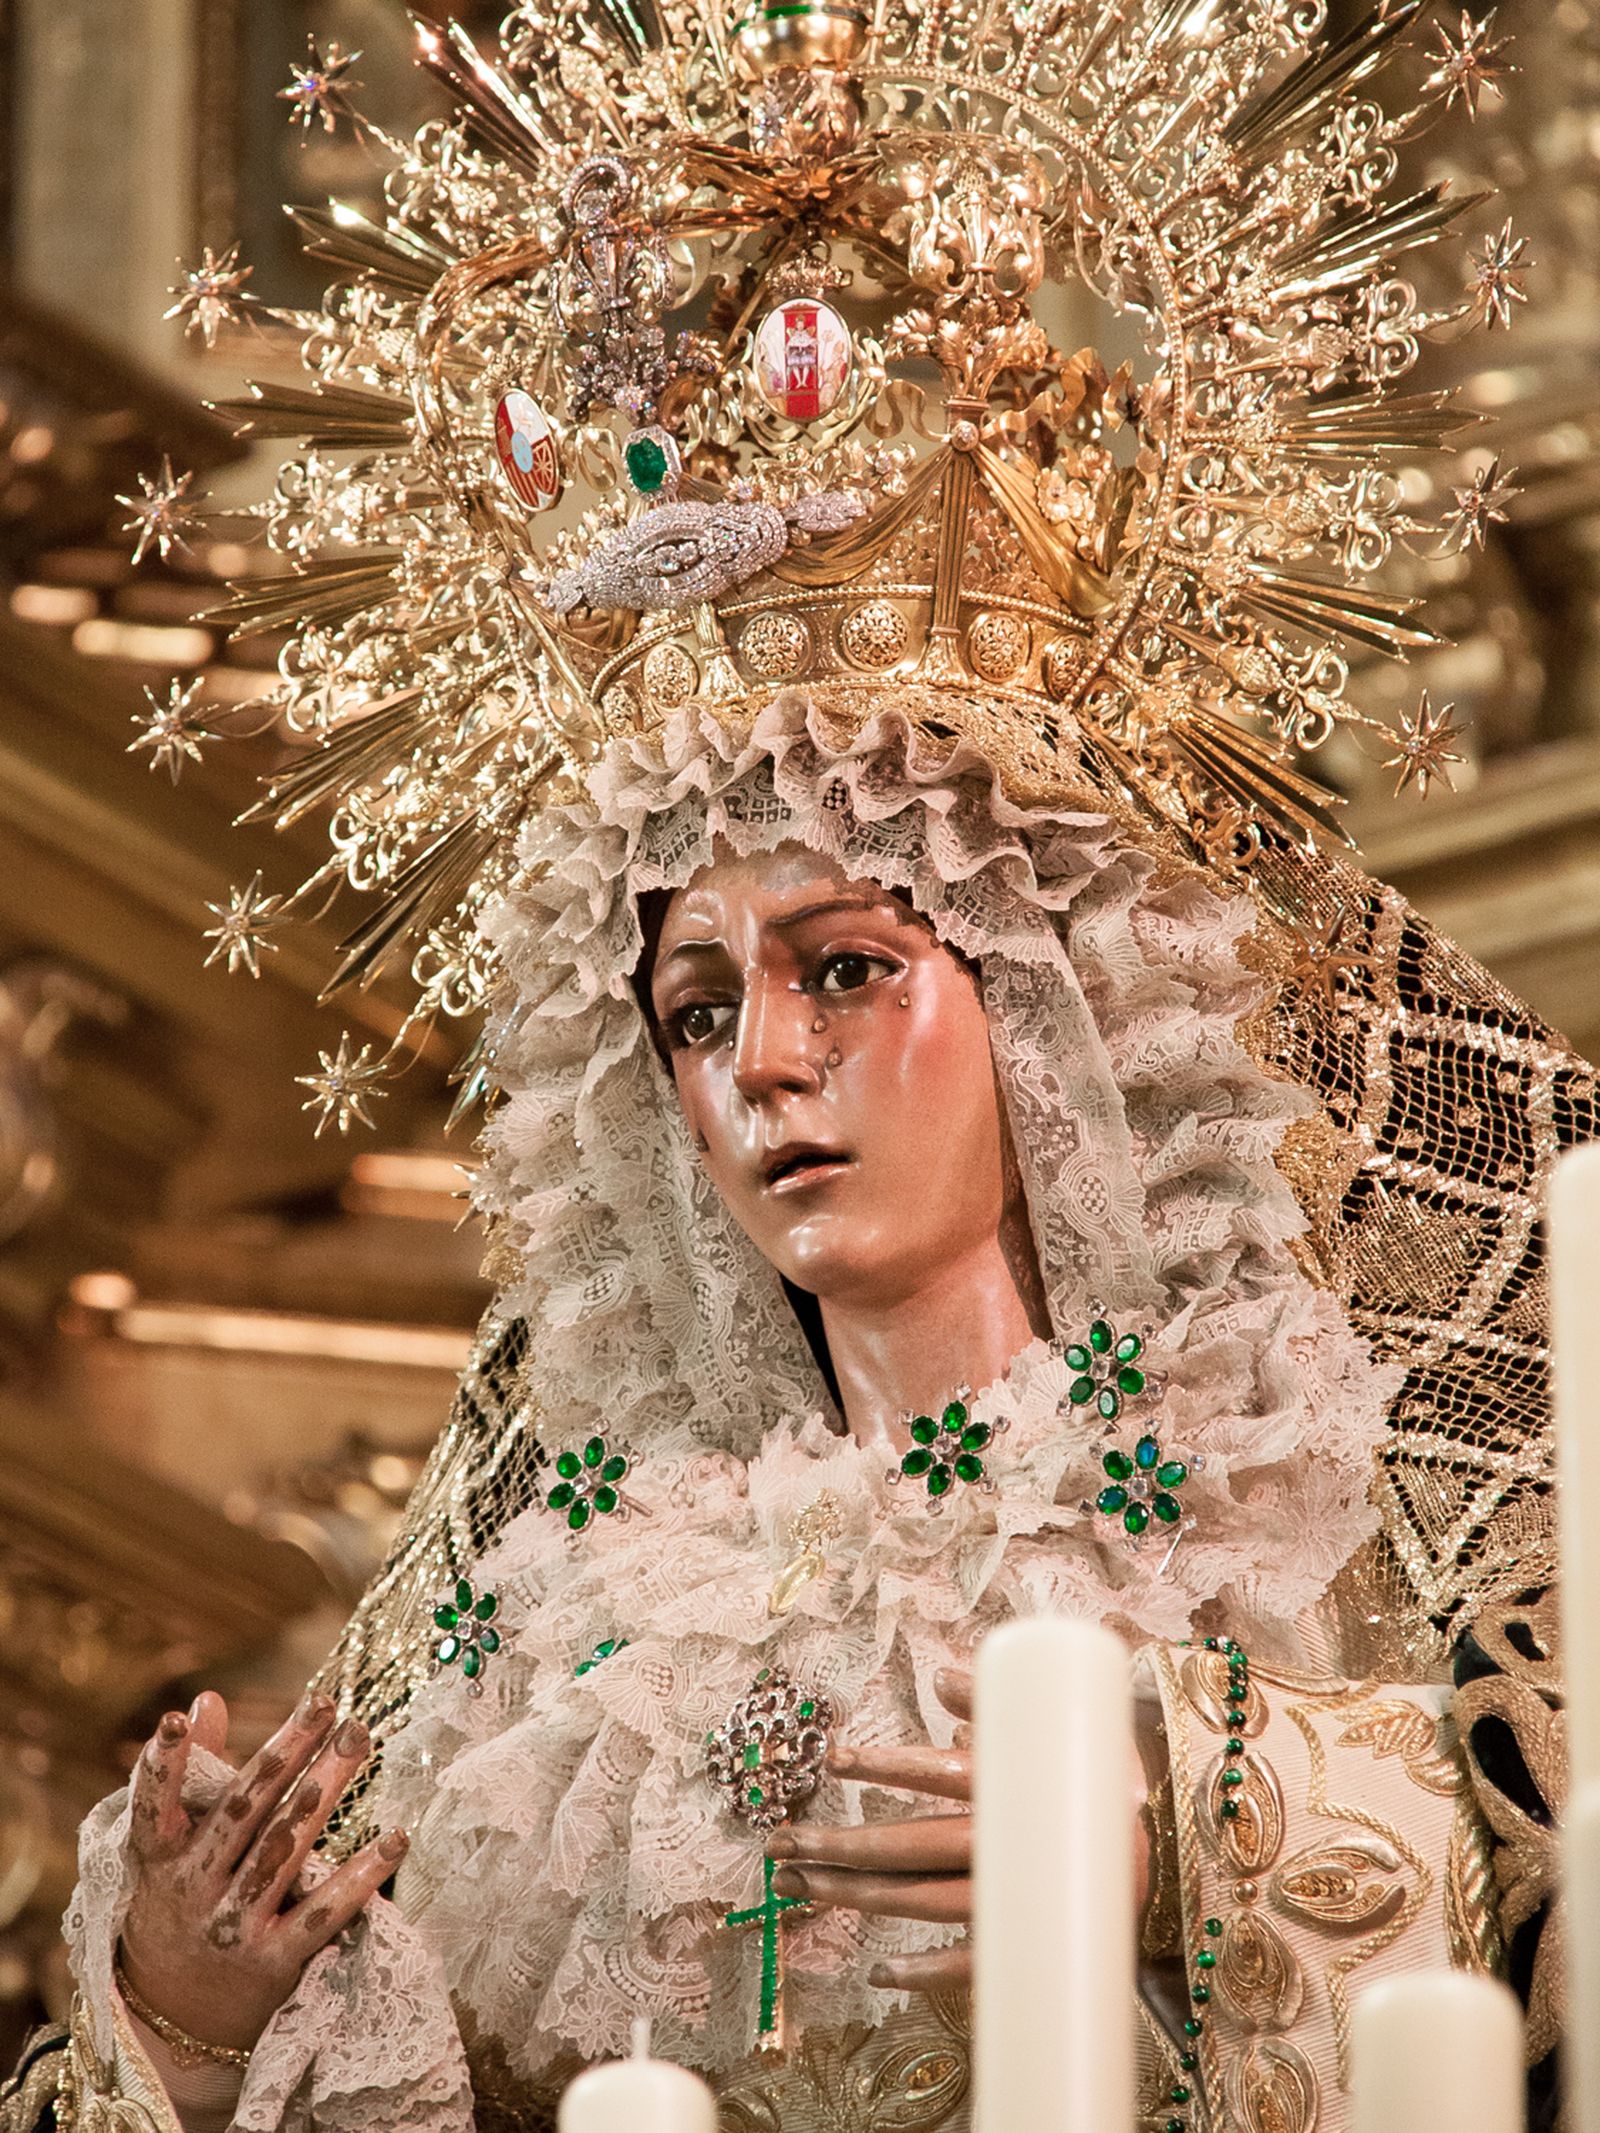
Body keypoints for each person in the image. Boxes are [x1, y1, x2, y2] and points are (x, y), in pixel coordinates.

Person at [7, 1, 1579, 2127]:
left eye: (844, 969)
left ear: (1046, 997)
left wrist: (1199, 1868)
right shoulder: (561, 1597)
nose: (760, 1059)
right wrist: (201, 2019)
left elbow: (1546, 1912)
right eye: (692, 1004)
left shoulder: (1303, 1485)